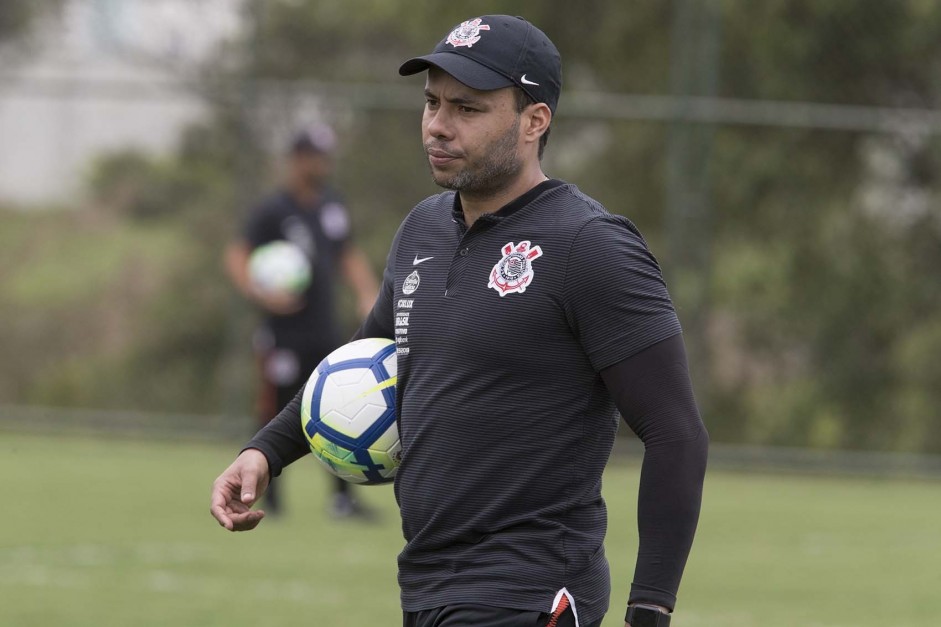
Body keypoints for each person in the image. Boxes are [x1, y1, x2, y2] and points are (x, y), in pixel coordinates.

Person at [212, 15, 708, 627]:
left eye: (467, 109)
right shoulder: (420, 229)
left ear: (535, 121)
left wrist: (650, 608)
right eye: (431, 103)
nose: (438, 126)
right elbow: (362, 361)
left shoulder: (590, 246)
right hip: (429, 586)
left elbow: (676, 433)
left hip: (533, 592)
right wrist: (265, 451)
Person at [224, 124, 379, 519]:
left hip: (324, 330)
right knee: (276, 409)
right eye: (314, 156)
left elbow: (347, 255)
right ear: (296, 159)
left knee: (339, 408)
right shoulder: (273, 210)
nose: (321, 164)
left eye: (325, 156)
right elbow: (237, 255)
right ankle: (267, 498)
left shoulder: (331, 207)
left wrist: (367, 294)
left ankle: (342, 500)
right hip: (282, 333)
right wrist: (258, 293)